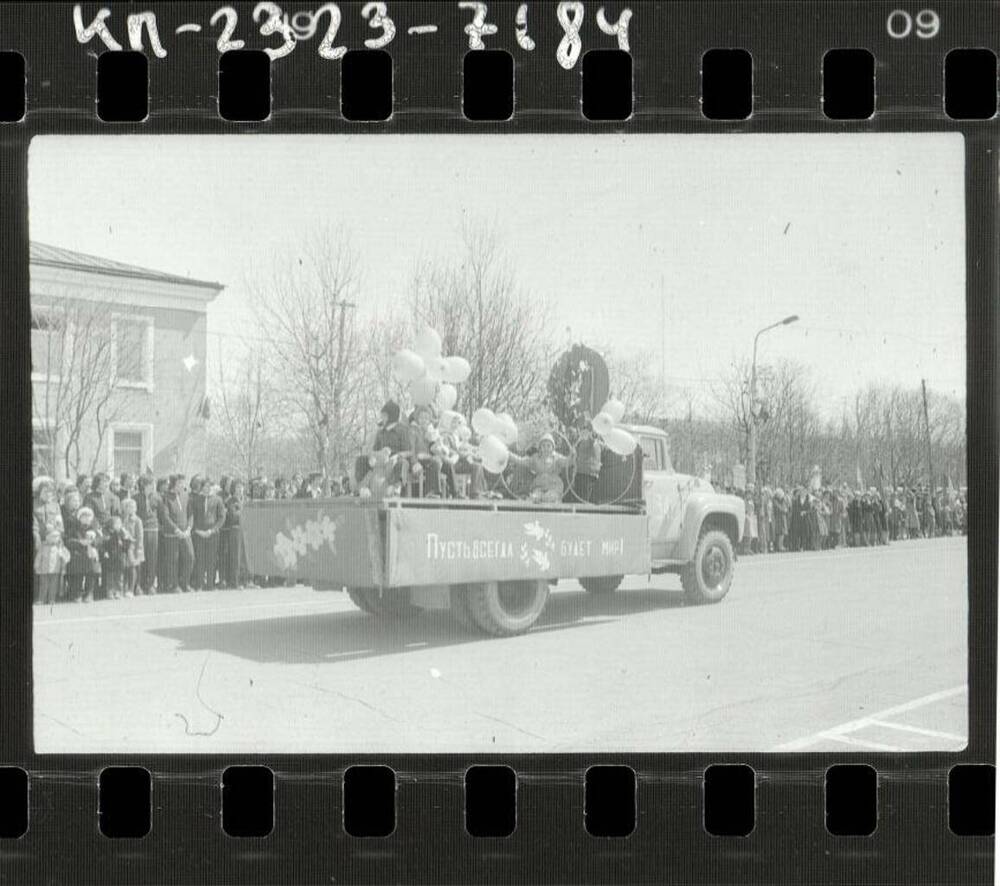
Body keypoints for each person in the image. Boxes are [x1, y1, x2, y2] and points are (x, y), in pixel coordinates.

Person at [508, 433, 574, 503]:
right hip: (539, 487)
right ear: (540, 448)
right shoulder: (535, 458)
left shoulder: (557, 458)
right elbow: (521, 461)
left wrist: (572, 455)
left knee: (549, 498)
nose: (546, 448)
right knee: (534, 498)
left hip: (554, 487)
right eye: (543, 445)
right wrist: (509, 455)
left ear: (553, 447)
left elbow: (568, 462)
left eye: (548, 445)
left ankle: (553, 504)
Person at [33, 477, 65, 606]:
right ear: (39, 491)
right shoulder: (33, 504)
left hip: (53, 540)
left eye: (50, 492)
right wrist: (37, 538)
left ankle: (52, 596)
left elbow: (60, 524)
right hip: (38, 540)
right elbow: (33, 524)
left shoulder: (55, 505)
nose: (48, 494)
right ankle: (38, 596)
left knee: (53, 569)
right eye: (45, 491)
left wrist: (58, 536)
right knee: (38, 568)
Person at [159, 474, 193, 593]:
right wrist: (176, 530)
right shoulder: (166, 497)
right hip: (172, 534)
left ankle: (185, 583)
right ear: (173, 484)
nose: (182, 485)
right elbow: (165, 517)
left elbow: (190, 515)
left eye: (183, 483)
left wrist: (188, 529)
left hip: (185, 534)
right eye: (180, 483)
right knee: (173, 560)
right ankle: (173, 585)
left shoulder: (186, 496)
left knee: (190, 557)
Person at [66, 505, 102, 603]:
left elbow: (100, 540)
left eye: (88, 516)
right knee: (78, 573)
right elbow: (68, 541)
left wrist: (93, 542)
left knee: (92, 572)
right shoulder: (74, 528)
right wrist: (80, 542)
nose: (86, 518)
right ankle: (77, 593)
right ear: (79, 518)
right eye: (83, 516)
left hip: (91, 556)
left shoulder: (95, 529)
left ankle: (89, 593)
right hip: (78, 555)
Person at [135, 474, 160, 594]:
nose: (153, 487)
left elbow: (162, 514)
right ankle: (139, 585)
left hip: (153, 531)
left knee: (152, 558)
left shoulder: (157, 498)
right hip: (141, 531)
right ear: (144, 485)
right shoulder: (136, 497)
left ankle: (150, 585)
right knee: (140, 558)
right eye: (151, 484)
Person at [220, 479, 245, 589]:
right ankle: (234, 582)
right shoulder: (230, 501)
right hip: (235, 530)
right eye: (238, 487)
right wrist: (244, 511)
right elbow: (233, 516)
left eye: (241, 487)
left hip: (245, 530)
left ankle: (244, 580)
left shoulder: (244, 500)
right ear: (233, 489)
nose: (240, 489)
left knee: (244, 557)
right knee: (235, 557)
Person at [572, 419, 602, 504]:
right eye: (582, 431)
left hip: (588, 473)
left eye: (585, 431)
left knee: (583, 497)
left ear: (589, 432)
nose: (582, 433)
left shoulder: (591, 441)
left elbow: (593, 439)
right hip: (580, 472)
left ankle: (583, 509)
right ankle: (580, 509)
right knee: (579, 495)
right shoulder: (580, 442)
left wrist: (593, 434)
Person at [103, 515, 131, 600]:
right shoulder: (108, 533)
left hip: (120, 557)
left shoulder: (123, 533)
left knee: (119, 576)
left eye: (120, 523)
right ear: (112, 525)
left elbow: (125, 547)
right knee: (110, 575)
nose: (118, 525)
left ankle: (118, 591)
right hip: (111, 557)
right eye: (116, 523)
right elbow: (107, 543)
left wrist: (127, 539)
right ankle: (110, 591)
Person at [121, 497, 144, 597]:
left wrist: (139, 548)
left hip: (134, 547)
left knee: (133, 567)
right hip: (123, 546)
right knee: (124, 568)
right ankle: (124, 588)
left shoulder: (137, 520)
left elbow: (140, 535)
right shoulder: (122, 519)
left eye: (133, 507)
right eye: (129, 507)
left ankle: (132, 588)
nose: (132, 509)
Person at [772, 488, 788, 552]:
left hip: (782, 517)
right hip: (778, 518)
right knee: (780, 532)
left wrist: (784, 509)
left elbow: (785, 508)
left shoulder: (782, 501)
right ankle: (779, 546)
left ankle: (781, 545)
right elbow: (780, 509)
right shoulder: (775, 501)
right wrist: (784, 510)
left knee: (782, 533)